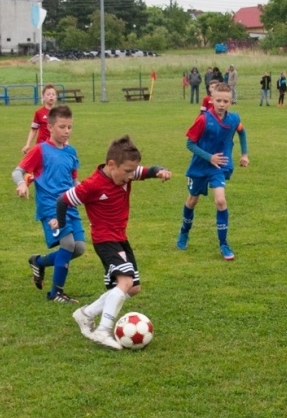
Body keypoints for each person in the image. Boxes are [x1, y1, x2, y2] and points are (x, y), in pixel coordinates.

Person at [51, 136, 172, 349]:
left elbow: (149, 170)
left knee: (132, 288)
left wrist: (160, 170)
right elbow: (63, 200)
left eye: (132, 172)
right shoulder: (92, 185)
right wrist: (59, 225)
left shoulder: (126, 173)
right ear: (111, 165)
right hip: (105, 240)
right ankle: (102, 331)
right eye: (126, 172)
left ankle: (85, 314)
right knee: (124, 283)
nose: (130, 176)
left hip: (120, 238)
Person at [17, 104, 84, 304]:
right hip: (50, 207)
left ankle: (38, 262)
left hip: (69, 204)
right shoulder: (40, 150)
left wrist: (84, 192)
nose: (66, 131)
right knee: (68, 244)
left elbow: (73, 180)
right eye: (62, 127)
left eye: (70, 127)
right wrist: (22, 183)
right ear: (51, 127)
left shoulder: (71, 151)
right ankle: (56, 293)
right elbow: (17, 171)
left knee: (78, 248)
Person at [178, 82, 247, 260]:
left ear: (231, 102)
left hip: (219, 167)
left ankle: (224, 244)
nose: (222, 104)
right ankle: (184, 232)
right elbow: (189, 143)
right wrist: (209, 157)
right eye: (218, 100)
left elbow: (241, 131)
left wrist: (244, 154)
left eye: (225, 101)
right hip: (200, 166)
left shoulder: (234, 119)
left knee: (221, 201)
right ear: (212, 100)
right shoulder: (203, 119)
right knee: (192, 201)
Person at [21, 84, 60, 156]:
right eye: (48, 94)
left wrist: (66, 145)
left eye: (53, 94)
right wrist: (27, 144)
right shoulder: (39, 113)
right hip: (42, 145)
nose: (51, 96)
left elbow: (63, 131)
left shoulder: (60, 113)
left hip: (55, 145)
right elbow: (33, 129)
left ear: (56, 97)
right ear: (43, 97)